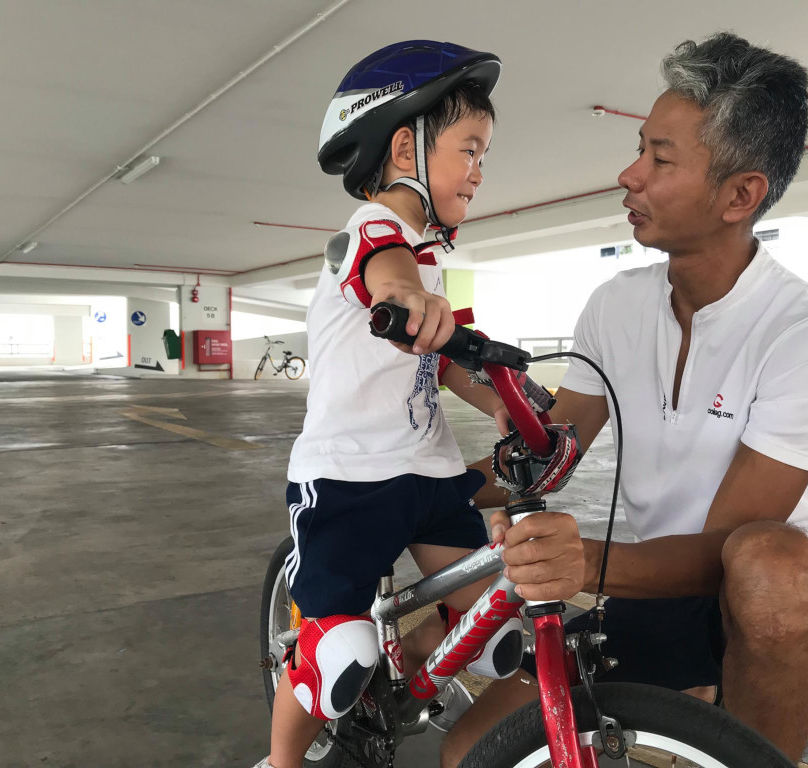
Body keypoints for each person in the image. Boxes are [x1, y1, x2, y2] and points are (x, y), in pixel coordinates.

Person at [441, 32, 808, 766]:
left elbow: (724, 553)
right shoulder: (616, 305)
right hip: (650, 593)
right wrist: (431, 496)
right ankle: (686, 692)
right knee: (472, 754)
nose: (628, 174)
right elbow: (551, 448)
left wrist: (585, 562)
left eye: (660, 159)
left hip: (771, 602)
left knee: (769, 565)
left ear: (741, 195)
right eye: (640, 148)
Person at [253, 41, 519, 768]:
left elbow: (450, 354)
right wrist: (407, 300)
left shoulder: (429, 262)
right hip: (346, 484)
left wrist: (508, 399)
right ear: (406, 146)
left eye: (483, 153)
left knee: (495, 629)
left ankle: (394, 677)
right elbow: (390, 279)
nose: (478, 168)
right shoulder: (373, 233)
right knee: (334, 656)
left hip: (429, 482)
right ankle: (281, 762)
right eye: (469, 148)